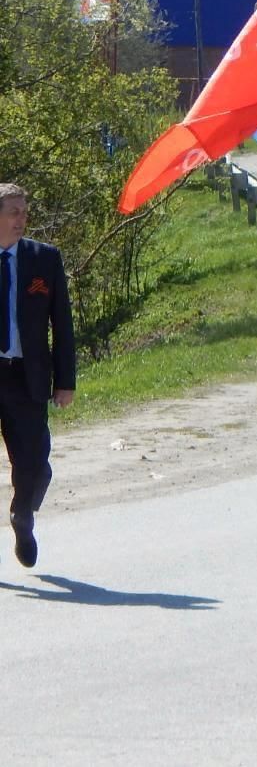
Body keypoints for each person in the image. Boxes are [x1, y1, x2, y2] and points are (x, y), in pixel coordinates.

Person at [0, 184, 74, 568]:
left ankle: (22, 513)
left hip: (25, 376)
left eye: (24, 211)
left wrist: (66, 380)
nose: (21, 218)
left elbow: (62, 323)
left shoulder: (43, 260)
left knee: (35, 464)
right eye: (13, 211)